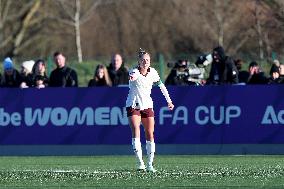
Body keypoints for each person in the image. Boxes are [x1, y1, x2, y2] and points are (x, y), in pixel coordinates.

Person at [125, 49, 174, 172]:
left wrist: (169, 101)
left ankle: (150, 164)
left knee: (150, 133)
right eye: (143, 60)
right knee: (136, 129)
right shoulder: (134, 71)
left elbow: (161, 86)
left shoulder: (153, 72)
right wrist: (131, 77)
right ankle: (140, 163)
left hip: (147, 105)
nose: (145, 62)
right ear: (139, 61)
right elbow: (132, 76)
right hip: (133, 105)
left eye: (147, 60)